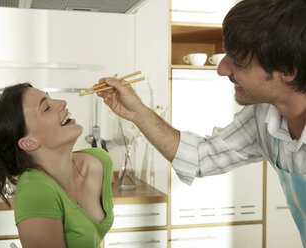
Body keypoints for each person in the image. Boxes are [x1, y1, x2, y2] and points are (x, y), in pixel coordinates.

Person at [95, 0, 306, 246]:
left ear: (288, 71)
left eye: (238, 62)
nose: (222, 69)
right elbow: (200, 157)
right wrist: (138, 112)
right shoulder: (265, 115)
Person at [0, 83, 114, 248]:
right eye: (46, 108)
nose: (62, 102)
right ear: (29, 142)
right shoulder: (35, 192)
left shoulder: (98, 163)